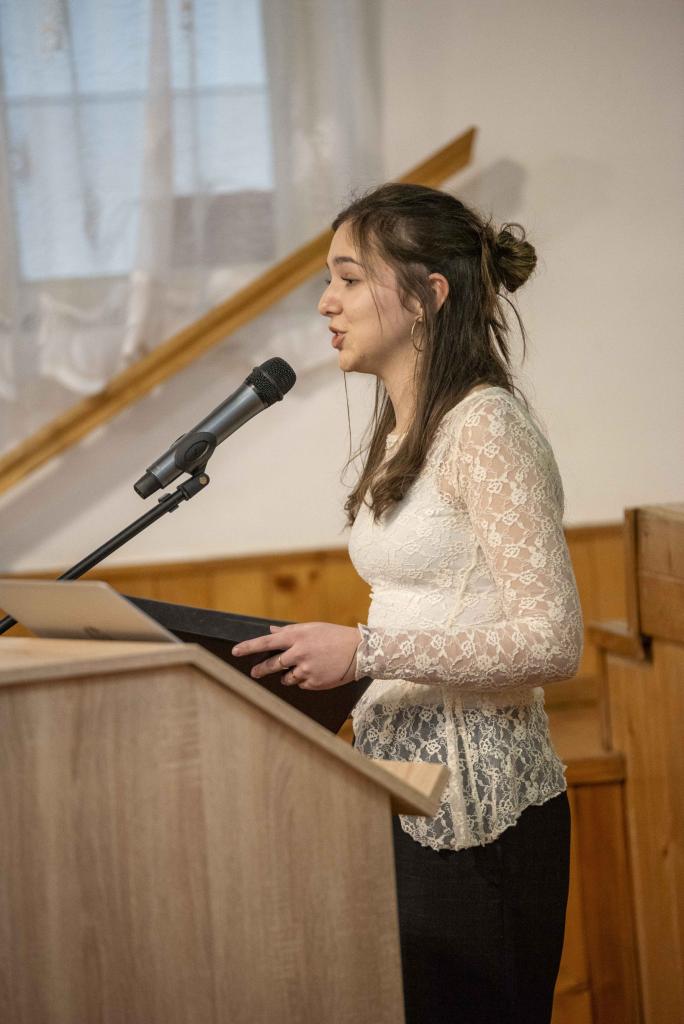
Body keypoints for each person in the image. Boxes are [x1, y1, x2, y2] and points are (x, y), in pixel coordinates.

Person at [231, 182, 584, 1024]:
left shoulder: (487, 427)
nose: (327, 302)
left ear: (428, 295)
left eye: (349, 279)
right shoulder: (404, 430)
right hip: (402, 790)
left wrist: (366, 652)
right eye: (329, 280)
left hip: (482, 818)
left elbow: (553, 640)